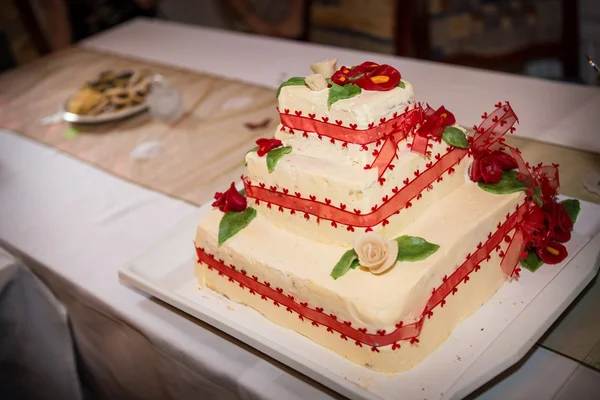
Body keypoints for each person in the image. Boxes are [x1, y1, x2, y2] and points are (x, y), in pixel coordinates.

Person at [38, 0, 160, 51]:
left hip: (143, 37)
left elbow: (146, 2)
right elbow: (59, 33)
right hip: (88, 48)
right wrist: (61, 62)